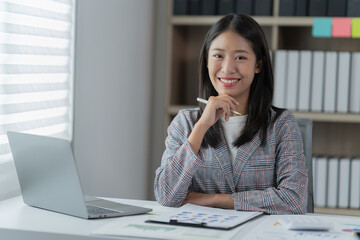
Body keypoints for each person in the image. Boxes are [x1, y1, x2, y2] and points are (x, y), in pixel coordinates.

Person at [154, 13, 308, 214]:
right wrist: (201, 127)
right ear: (207, 61)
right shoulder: (186, 123)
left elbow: (294, 200)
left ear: (258, 65)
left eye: (240, 57)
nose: (227, 68)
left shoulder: (281, 124)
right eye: (218, 56)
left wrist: (212, 200)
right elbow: (166, 196)